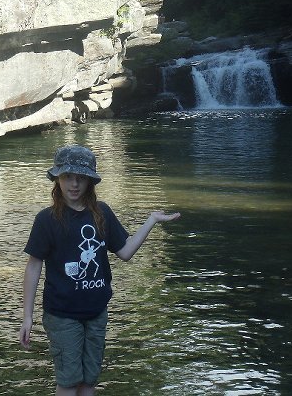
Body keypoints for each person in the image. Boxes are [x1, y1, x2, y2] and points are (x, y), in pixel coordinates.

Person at [20, 145, 180, 396]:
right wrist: (27, 317)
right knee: (69, 381)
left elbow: (125, 252)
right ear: (57, 179)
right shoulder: (46, 220)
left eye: (81, 178)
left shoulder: (102, 213)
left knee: (89, 381)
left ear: (90, 181)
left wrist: (151, 221)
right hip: (62, 314)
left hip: (96, 313)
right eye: (68, 177)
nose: (74, 184)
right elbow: (33, 267)